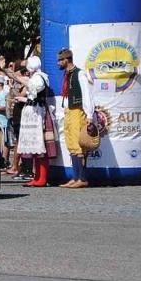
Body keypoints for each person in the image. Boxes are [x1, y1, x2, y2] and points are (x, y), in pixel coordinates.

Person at [17, 56, 56, 187]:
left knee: (40, 146)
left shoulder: (40, 77)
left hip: (38, 114)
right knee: (35, 148)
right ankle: (37, 176)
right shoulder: (35, 77)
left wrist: (19, 78)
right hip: (32, 113)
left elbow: (35, 88)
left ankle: (42, 178)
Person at [57, 47, 90, 189]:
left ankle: (82, 178)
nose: (58, 63)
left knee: (77, 145)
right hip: (69, 111)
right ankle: (75, 177)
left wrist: (89, 114)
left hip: (78, 111)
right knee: (70, 143)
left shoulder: (79, 74)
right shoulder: (67, 74)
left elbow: (87, 95)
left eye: (60, 60)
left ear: (66, 60)